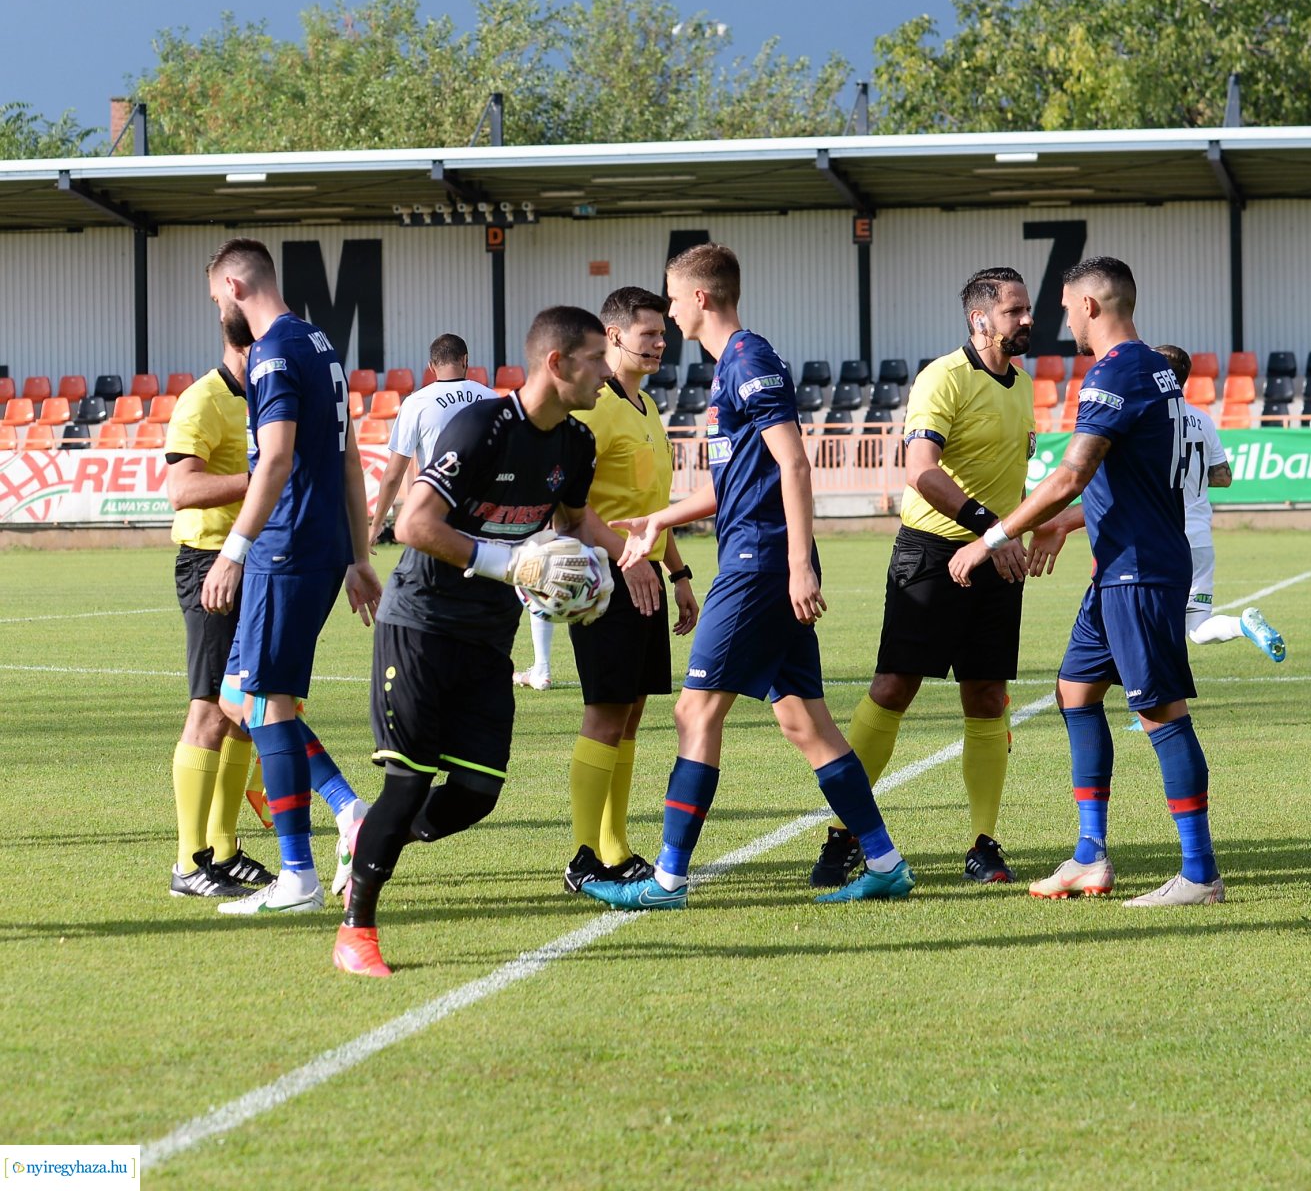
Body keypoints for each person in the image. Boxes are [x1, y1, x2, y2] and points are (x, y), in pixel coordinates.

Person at [581, 243, 915, 911]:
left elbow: (793, 464)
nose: (670, 314)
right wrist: (657, 520)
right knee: (805, 725)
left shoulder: (749, 360)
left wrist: (796, 564)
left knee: (693, 710)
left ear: (700, 298)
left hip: (758, 564)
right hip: (757, 555)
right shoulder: (727, 368)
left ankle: (669, 881)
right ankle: (884, 862)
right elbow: (733, 485)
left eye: (673, 300)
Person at [335, 306, 623, 977]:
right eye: (595, 360)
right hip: (422, 626)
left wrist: (609, 569)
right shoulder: (482, 426)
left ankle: (365, 832)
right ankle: (357, 932)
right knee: (407, 784)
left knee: (477, 794)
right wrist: (509, 564)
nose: (607, 374)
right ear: (557, 363)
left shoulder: (576, 444)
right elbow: (413, 523)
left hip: (489, 635)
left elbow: (573, 522)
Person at [950, 257, 1224, 907]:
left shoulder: (1117, 370)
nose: (1059, 318)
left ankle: (1199, 873)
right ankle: (1089, 856)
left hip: (1140, 570)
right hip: (1120, 569)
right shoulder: (1155, 369)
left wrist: (994, 537)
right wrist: (1068, 527)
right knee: (1075, 691)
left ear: (1093, 308)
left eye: (1068, 307)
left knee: (1159, 711)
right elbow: (1120, 478)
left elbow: (1073, 473)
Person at [810, 266, 1035, 890]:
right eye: (1015, 310)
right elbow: (920, 470)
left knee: (987, 695)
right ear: (980, 318)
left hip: (995, 559)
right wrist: (995, 526)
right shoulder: (942, 376)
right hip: (932, 553)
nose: (1027, 320)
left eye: (1027, 310)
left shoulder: (1023, 385)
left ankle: (984, 844)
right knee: (893, 688)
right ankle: (845, 832)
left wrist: (1018, 530)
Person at [198, 239, 381, 917]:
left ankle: (297, 874)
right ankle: (347, 808)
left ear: (237, 285)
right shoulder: (319, 344)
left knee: (267, 702)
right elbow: (350, 460)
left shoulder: (273, 351)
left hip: (285, 545)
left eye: (217, 298)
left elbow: (274, 460)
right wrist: (358, 555)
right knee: (236, 699)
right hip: (319, 542)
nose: (219, 310)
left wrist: (235, 548)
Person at [558, 287, 700, 895]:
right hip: (603, 579)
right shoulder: (592, 410)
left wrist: (679, 572)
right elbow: (571, 509)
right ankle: (584, 855)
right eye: (649, 334)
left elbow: (651, 509)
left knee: (633, 713)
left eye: (663, 334)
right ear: (614, 337)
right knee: (605, 712)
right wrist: (628, 561)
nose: (660, 343)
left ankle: (613, 845)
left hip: (645, 578)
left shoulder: (645, 408)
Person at [162, 320, 272, 897]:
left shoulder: (268, 397)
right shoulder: (203, 398)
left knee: (244, 713)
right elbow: (181, 490)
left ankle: (225, 851)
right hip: (210, 564)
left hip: (254, 562)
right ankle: (188, 863)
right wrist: (260, 477)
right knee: (208, 710)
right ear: (244, 342)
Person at [1154, 343, 1285, 659]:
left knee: (1151, 623)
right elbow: (1224, 476)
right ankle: (1243, 625)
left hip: (1164, 537)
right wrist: (1191, 478)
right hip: (1199, 537)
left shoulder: (1151, 420)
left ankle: (1151, 704)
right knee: (1197, 629)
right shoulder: (1202, 420)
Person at [367, 333, 488, 541]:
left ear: (431, 366)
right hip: (485, 514)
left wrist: (376, 524)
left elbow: (394, 474)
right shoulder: (491, 398)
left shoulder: (416, 403)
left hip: (437, 513)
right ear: (465, 359)